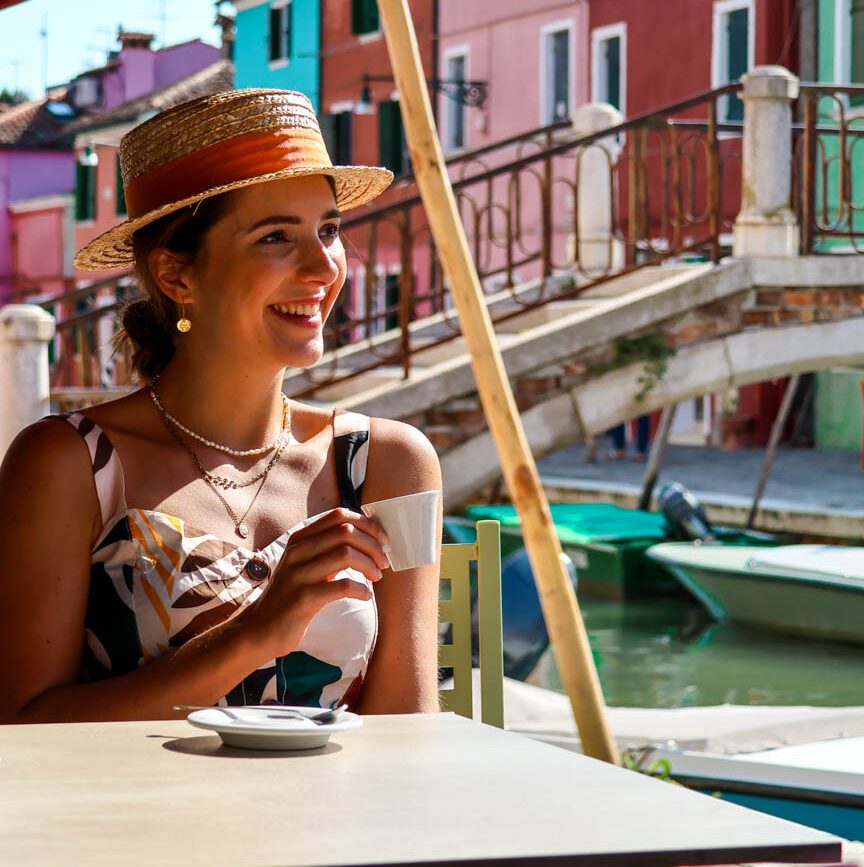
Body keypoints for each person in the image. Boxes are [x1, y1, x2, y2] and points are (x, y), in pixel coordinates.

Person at [0, 90, 442, 723]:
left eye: (329, 230)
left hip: (334, 818)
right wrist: (255, 633)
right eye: (275, 237)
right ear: (177, 276)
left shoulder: (389, 463)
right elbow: (18, 727)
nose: (324, 267)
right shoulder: (67, 464)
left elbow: (407, 727)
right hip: (129, 821)